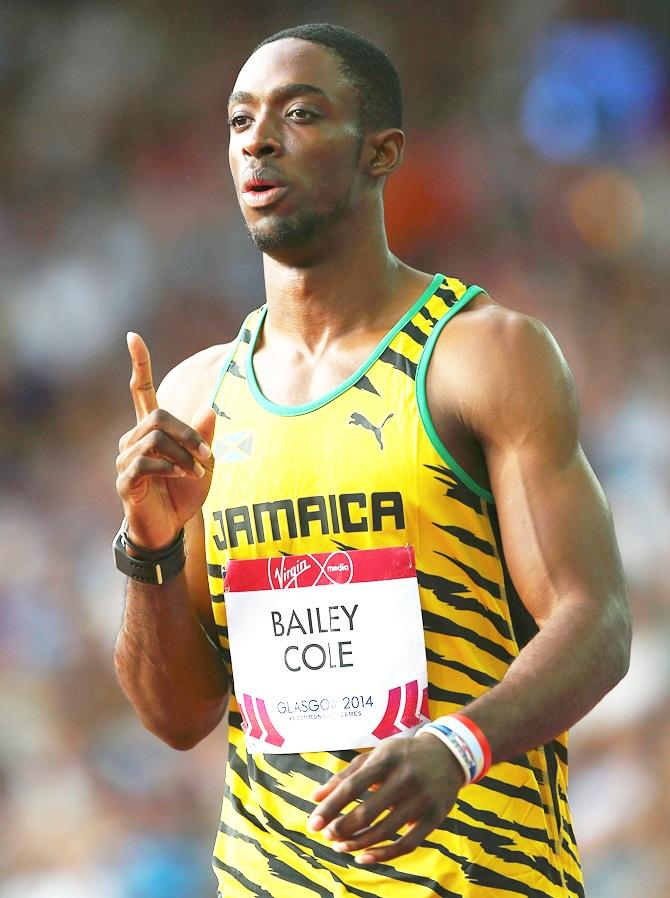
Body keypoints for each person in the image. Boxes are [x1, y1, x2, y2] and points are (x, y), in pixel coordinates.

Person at [113, 23, 631, 898]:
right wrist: (149, 549)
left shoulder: (481, 356)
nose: (259, 140)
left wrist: (456, 745)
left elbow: (596, 621)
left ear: (381, 153)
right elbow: (176, 719)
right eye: (240, 122)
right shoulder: (200, 396)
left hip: (478, 879)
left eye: (301, 113)